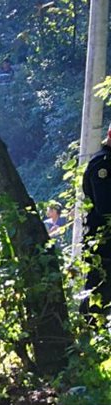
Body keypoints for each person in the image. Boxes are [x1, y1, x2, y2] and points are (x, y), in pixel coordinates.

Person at [82, 124, 111, 321]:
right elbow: (105, 206)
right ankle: (87, 340)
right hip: (103, 243)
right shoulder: (103, 165)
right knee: (98, 294)